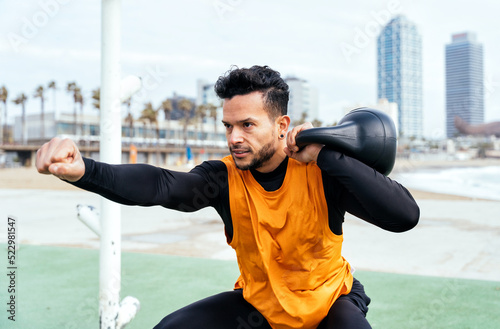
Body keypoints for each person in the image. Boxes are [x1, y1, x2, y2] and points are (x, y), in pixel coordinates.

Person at [36, 65, 419, 329]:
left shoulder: (321, 174)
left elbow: (404, 215)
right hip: (261, 309)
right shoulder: (223, 178)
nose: (234, 137)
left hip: (331, 304)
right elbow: (162, 185)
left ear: (282, 125)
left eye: (247, 125)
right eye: (229, 125)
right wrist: (83, 169)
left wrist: (326, 153)